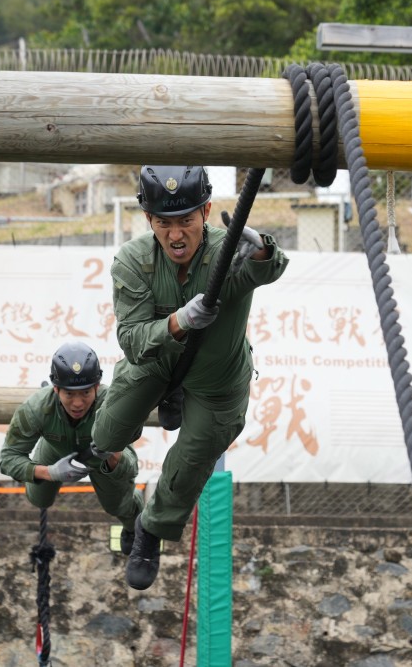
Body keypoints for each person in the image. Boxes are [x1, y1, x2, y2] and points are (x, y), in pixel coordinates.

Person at [91, 164, 289, 590]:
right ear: (149, 220)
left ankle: (151, 528)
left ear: (206, 212)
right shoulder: (133, 261)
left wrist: (259, 250)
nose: (176, 234)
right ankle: (165, 399)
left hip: (218, 379)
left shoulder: (227, 250)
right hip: (156, 362)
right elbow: (132, 339)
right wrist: (179, 321)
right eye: (165, 222)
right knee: (104, 437)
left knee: (190, 462)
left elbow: (269, 267)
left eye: (187, 221)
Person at [0, 341, 142, 552]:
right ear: (56, 389)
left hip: (102, 456)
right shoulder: (37, 408)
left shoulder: (113, 405)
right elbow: (8, 459)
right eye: (69, 394)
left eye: (85, 393)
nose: (77, 403)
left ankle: (134, 528)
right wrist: (49, 472)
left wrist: (112, 453)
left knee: (117, 505)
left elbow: (132, 468)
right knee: (39, 498)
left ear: (96, 386)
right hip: (55, 449)